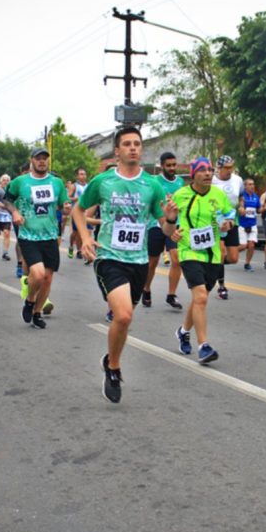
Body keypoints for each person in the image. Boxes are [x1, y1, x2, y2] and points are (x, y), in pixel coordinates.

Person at [73, 126, 177, 403]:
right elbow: (78, 209)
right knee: (123, 316)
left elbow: (164, 230)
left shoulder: (152, 185)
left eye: (137, 144)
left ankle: (110, 359)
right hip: (109, 257)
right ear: (117, 151)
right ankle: (115, 369)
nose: (133, 148)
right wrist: (84, 238)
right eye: (127, 144)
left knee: (125, 317)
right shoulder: (103, 182)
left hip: (139, 261)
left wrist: (170, 219)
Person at [170, 157, 234, 366]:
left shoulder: (218, 194)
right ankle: (204, 346)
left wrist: (229, 223)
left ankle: (183, 331)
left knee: (200, 298)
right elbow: (166, 220)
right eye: (203, 170)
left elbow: (230, 213)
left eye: (210, 170)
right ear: (193, 174)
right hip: (189, 252)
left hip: (212, 254)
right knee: (201, 297)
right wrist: (172, 233)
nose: (208, 173)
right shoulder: (181, 195)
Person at [5, 147, 68, 329]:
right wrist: (15, 212)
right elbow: (7, 200)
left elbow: (63, 205)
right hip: (28, 235)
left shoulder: (56, 182)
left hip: (49, 235)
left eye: (44, 158)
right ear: (31, 160)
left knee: (47, 278)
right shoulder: (20, 182)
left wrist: (66, 208)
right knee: (38, 273)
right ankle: (30, 300)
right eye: (38, 158)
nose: (42, 161)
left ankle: (37, 312)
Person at [143, 152, 185, 309]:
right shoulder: (154, 181)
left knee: (176, 258)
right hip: (156, 224)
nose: (172, 168)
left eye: (174, 165)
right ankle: (146, 289)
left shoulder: (181, 182)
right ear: (162, 166)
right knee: (152, 262)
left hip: (175, 224)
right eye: (168, 165)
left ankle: (171, 295)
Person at [211, 155, 242, 299]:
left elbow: (240, 197)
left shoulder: (238, 180)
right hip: (217, 222)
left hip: (232, 222)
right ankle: (222, 287)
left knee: (233, 258)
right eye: (227, 168)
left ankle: (213, 264)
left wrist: (241, 206)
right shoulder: (212, 181)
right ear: (219, 168)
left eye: (232, 167)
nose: (230, 171)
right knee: (221, 252)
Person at [238, 178, 260, 272]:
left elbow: (259, 210)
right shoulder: (242, 197)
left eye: (253, 184)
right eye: (250, 184)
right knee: (243, 246)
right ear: (245, 186)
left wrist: (265, 208)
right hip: (242, 224)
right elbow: (240, 207)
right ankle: (228, 253)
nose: (252, 186)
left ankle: (247, 264)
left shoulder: (256, 197)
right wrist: (241, 209)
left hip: (253, 225)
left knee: (251, 245)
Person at [67, 167, 89, 259]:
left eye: (84, 174)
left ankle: (81, 250)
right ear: (77, 176)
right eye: (81, 174)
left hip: (87, 212)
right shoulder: (74, 186)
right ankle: (71, 246)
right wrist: (75, 199)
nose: (83, 176)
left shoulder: (89, 186)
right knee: (76, 232)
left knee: (86, 231)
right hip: (76, 212)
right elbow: (67, 198)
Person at [0, 174, 14, 262]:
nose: (5, 181)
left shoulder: (11, 190)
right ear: (0, 180)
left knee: (6, 233)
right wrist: (0, 205)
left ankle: (5, 252)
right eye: (4, 180)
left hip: (7, 216)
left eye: (7, 180)